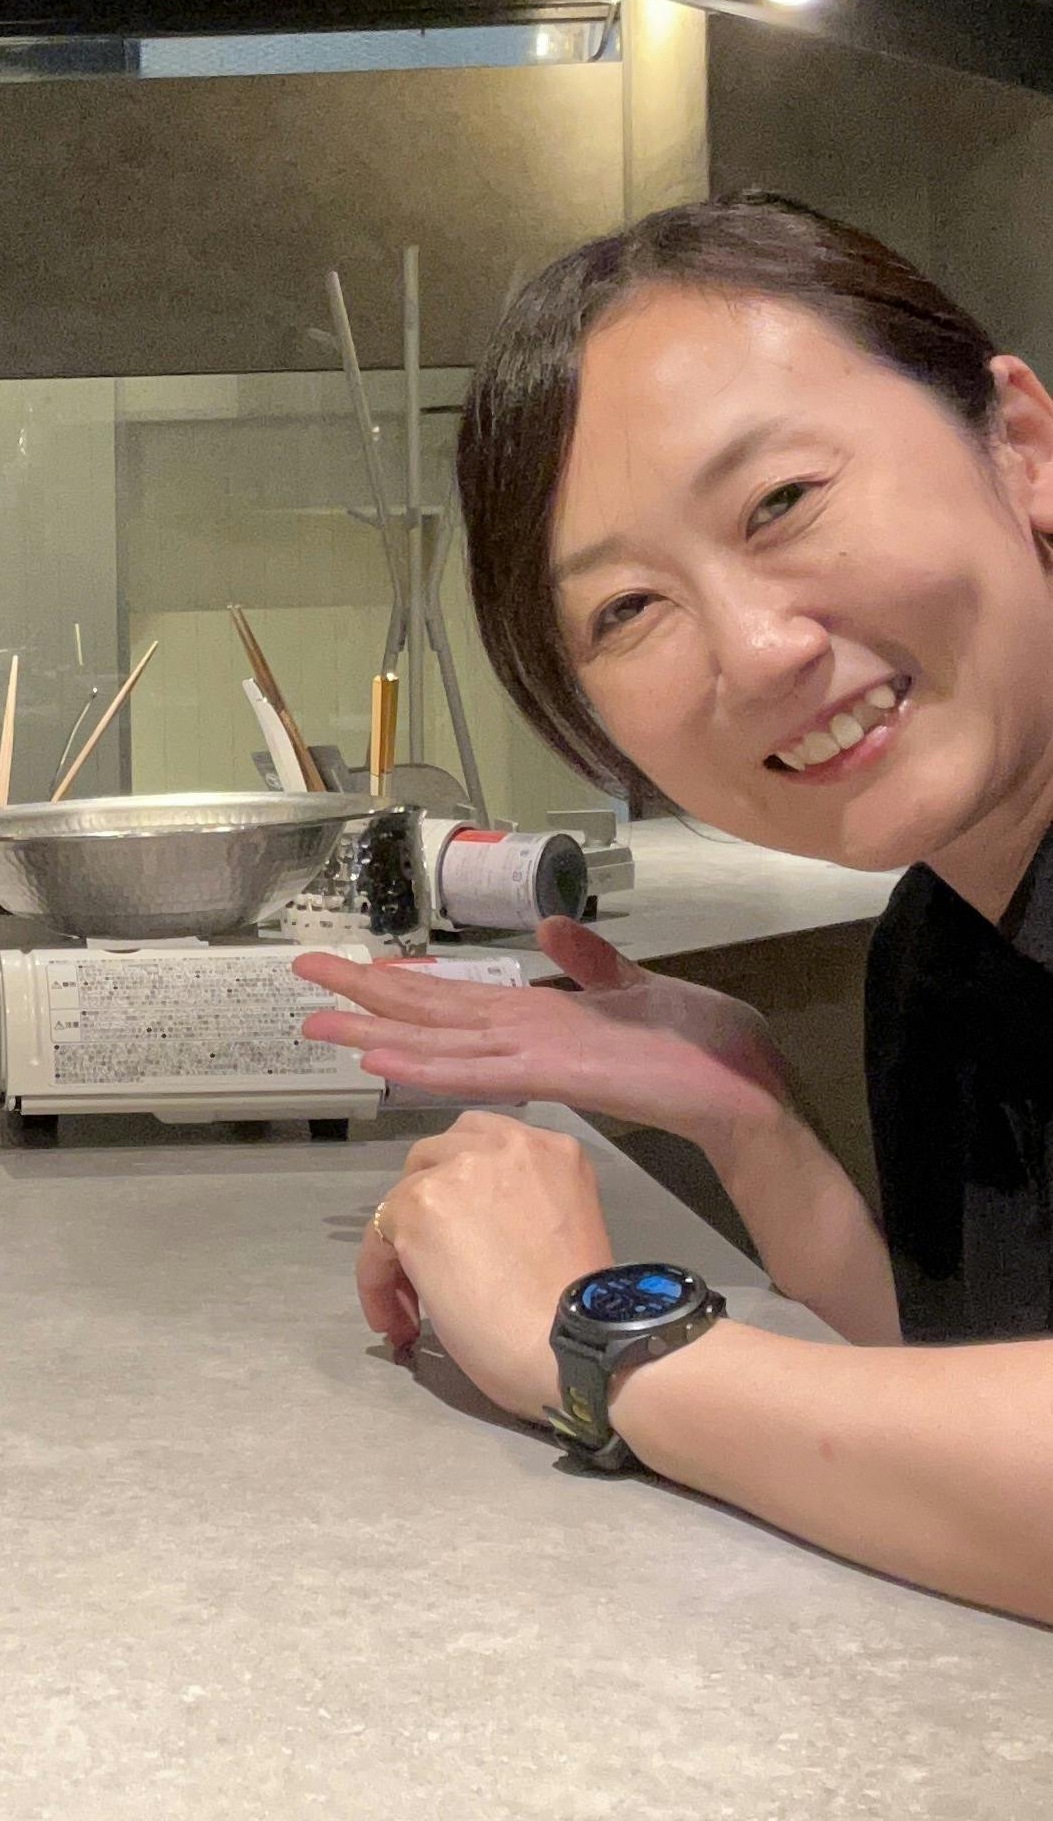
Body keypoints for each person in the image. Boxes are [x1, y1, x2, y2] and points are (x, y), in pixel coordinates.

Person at [299, 194, 1053, 1625]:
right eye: (629, 610)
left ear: (1021, 445)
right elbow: (964, 1402)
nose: (758, 653)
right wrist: (750, 1119)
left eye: (782, 502)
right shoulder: (945, 940)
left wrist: (601, 1348)